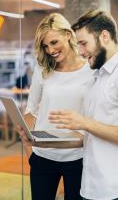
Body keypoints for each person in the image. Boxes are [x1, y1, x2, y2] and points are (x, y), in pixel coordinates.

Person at [47, 10, 118, 200]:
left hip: (117, 191)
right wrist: (50, 141)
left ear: (104, 36)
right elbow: (97, 132)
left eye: (83, 43)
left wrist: (84, 123)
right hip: (90, 187)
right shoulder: (96, 76)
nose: (80, 51)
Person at [21, 13, 94, 200]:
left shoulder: (91, 69)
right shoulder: (43, 68)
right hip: (43, 157)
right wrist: (31, 154)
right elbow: (32, 110)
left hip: (78, 157)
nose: (50, 50)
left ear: (68, 35)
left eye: (54, 42)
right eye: (45, 46)